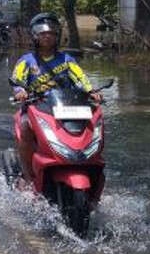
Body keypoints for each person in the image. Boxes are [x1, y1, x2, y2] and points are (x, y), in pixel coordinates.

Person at [9, 12, 99, 178]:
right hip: (36, 108)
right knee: (25, 127)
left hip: (66, 107)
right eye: (43, 33)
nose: (47, 36)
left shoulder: (67, 60)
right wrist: (21, 92)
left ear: (57, 36)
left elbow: (81, 78)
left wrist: (91, 92)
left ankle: (89, 165)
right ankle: (28, 175)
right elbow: (16, 82)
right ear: (35, 36)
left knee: (93, 127)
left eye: (51, 33)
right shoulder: (26, 61)